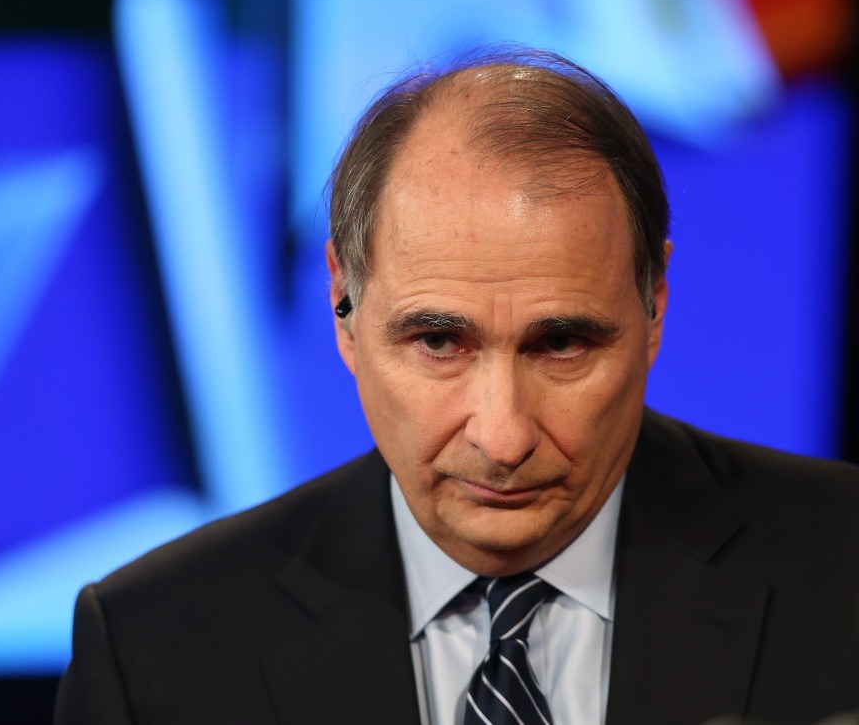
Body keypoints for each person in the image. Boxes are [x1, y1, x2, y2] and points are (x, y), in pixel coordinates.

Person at [54, 48, 859, 725]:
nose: (502, 437)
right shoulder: (151, 650)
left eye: (564, 344)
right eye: (439, 341)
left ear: (654, 305)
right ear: (344, 306)